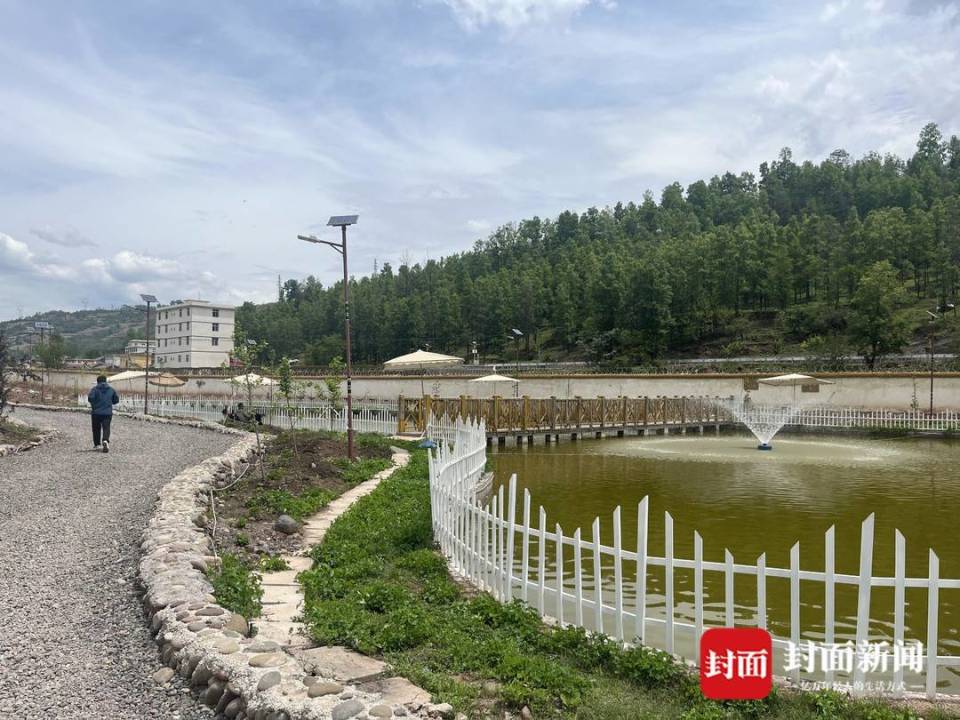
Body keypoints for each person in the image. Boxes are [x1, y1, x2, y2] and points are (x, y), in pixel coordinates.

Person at [88, 374, 119, 452]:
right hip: (107, 413)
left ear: (97, 382)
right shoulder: (111, 389)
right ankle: (105, 440)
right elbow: (116, 400)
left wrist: (95, 403)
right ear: (106, 381)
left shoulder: (94, 389)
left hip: (96, 413)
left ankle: (97, 444)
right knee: (106, 427)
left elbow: (90, 398)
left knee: (96, 428)